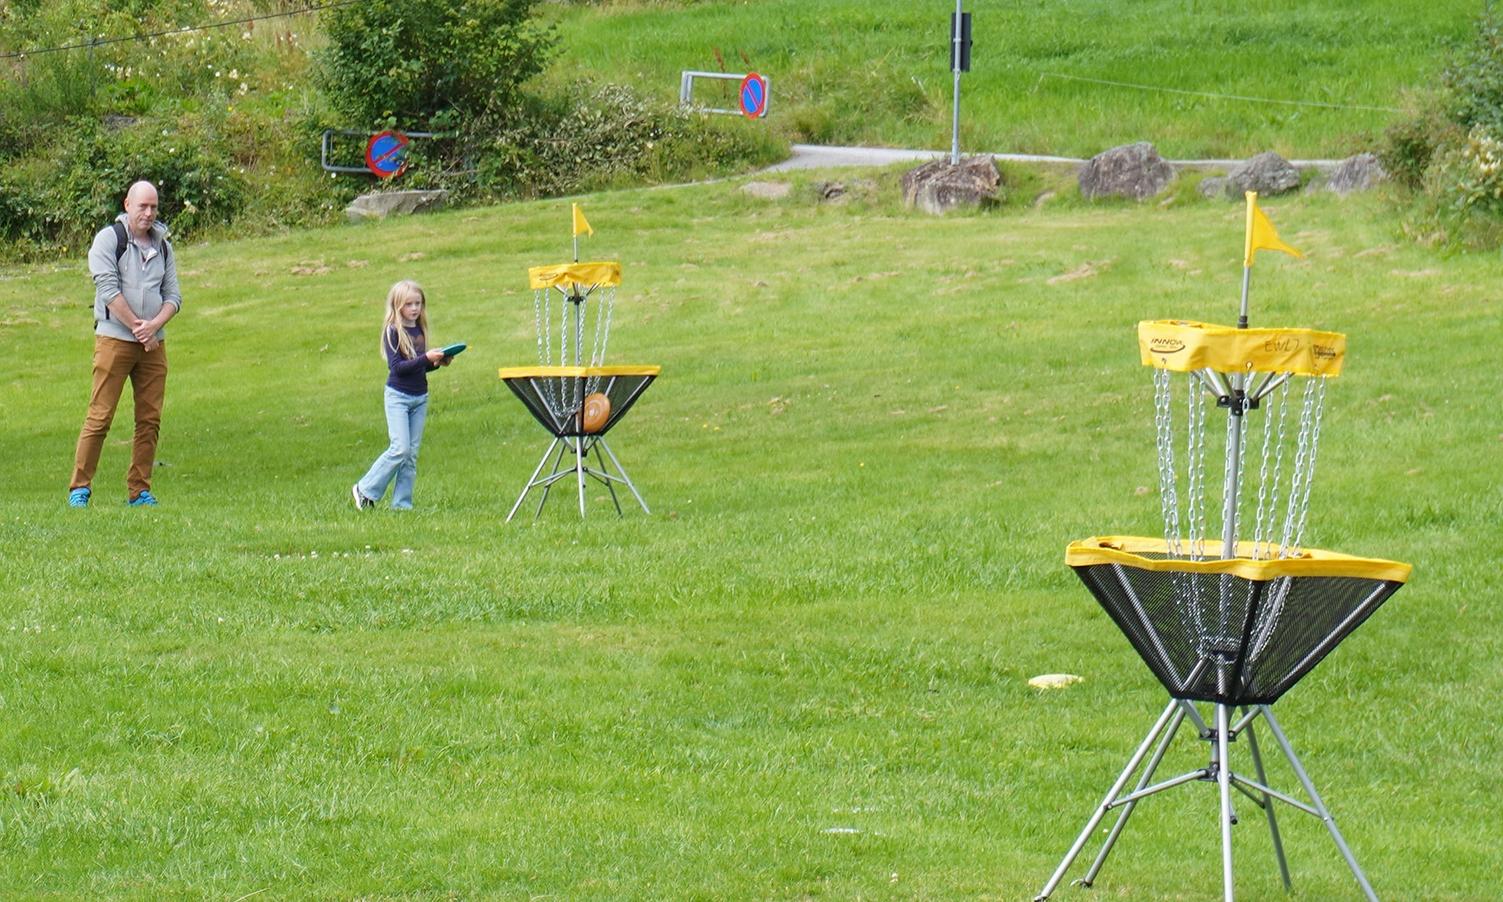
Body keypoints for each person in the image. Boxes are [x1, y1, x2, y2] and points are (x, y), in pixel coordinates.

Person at [68, 180, 181, 507]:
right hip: (115, 339)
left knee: (149, 419)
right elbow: (107, 287)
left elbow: (173, 296)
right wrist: (136, 326)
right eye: (142, 206)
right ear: (127, 204)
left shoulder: (163, 246)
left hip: (153, 346)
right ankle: (80, 488)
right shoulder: (109, 240)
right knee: (100, 416)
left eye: (153, 207)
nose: (148, 213)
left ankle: (139, 491)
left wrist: (155, 326)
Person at [352, 279, 453, 510]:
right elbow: (397, 368)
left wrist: (437, 362)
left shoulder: (419, 330)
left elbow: (419, 367)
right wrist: (425, 358)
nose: (415, 308)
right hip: (398, 396)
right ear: (398, 306)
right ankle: (365, 489)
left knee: (411, 455)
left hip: (420, 397)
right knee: (400, 449)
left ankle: (402, 505)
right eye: (409, 304)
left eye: (418, 303)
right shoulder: (393, 331)